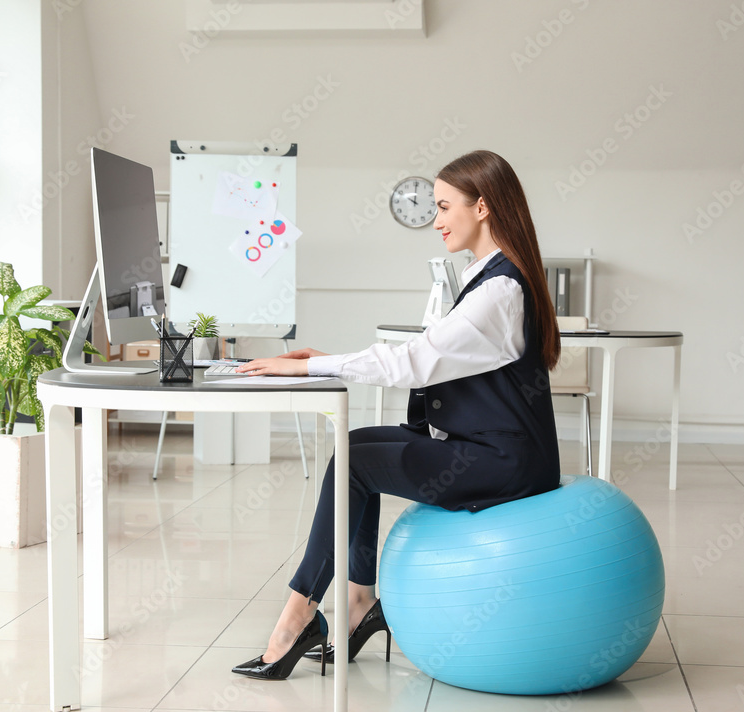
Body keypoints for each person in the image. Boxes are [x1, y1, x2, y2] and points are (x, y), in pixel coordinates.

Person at [230, 150, 562, 680]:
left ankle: (297, 618)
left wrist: (315, 367)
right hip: (494, 451)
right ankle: (359, 601)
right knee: (356, 448)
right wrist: (321, 360)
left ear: (482, 207)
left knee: (358, 462)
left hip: (502, 463)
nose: (436, 221)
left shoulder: (500, 289)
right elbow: (433, 350)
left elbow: (414, 362)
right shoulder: (487, 276)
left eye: (444, 207)